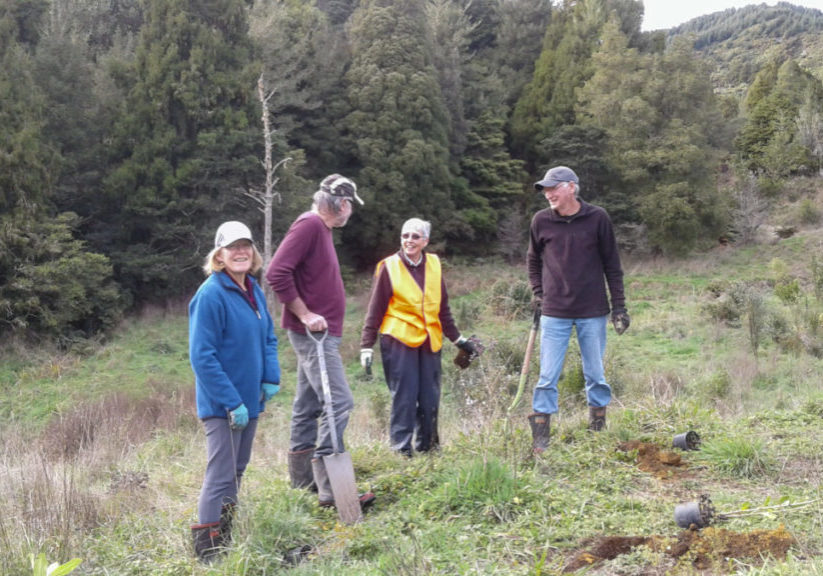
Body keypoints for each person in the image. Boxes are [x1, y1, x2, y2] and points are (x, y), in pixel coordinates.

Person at [266, 174, 374, 508]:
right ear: (342, 204)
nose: (350, 213)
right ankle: (332, 487)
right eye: (351, 206)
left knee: (307, 405)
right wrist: (305, 314)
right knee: (339, 402)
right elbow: (275, 273)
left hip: (319, 335)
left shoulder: (319, 229)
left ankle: (302, 482)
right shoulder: (310, 225)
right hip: (314, 335)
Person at [188, 221, 280, 562]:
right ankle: (208, 553)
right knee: (221, 473)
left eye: (246, 245)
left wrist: (270, 376)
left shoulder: (253, 289)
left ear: (253, 252)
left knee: (237, 470)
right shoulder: (210, 294)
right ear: (219, 255)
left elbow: (269, 336)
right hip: (223, 405)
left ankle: (226, 538)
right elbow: (202, 356)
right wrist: (231, 401)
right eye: (232, 247)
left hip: (250, 401)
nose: (240, 252)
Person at [527, 166, 629, 454]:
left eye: (553, 188)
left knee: (595, 374)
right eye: (545, 189)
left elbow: (613, 265)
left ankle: (597, 430)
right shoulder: (540, 221)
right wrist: (538, 294)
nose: (548, 194)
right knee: (547, 376)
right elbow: (533, 261)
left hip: (592, 311)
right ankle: (541, 439)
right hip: (554, 311)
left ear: (571, 187)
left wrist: (619, 306)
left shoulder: (598, 218)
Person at [359, 218, 480, 457]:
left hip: (429, 340)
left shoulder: (434, 264)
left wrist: (457, 339)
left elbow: (442, 307)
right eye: (405, 236)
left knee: (429, 397)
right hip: (398, 339)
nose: (409, 241)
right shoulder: (389, 266)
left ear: (425, 241)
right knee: (404, 396)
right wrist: (366, 345)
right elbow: (375, 308)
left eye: (415, 236)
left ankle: (429, 448)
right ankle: (401, 450)